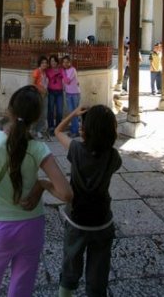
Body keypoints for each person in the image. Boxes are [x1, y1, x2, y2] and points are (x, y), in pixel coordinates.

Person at [0, 85, 73, 297]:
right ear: (36, 118)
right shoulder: (38, 149)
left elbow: (9, 142)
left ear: (10, 110)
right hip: (31, 226)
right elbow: (66, 194)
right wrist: (41, 185)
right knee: (22, 287)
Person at [55, 104, 122, 297]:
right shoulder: (113, 157)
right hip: (102, 221)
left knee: (71, 264)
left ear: (83, 131)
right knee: (99, 271)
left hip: (77, 220)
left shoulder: (75, 150)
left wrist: (74, 114)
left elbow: (59, 131)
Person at [61, 55, 81, 138]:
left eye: (67, 62)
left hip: (75, 94)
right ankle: (74, 130)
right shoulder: (65, 71)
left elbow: (67, 81)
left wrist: (62, 72)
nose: (65, 64)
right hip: (68, 93)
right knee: (71, 113)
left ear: (70, 62)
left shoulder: (72, 70)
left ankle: (75, 131)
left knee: (74, 113)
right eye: (64, 62)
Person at [46, 54, 64, 135]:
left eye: (54, 61)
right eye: (51, 61)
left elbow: (65, 77)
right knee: (51, 110)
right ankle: (51, 127)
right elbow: (49, 76)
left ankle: (58, 128)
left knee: (59, 111)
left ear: (57, 62)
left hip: (60, 92)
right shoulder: (48, 70)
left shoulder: (61, 70)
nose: (52, 62)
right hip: (51, 92)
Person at [32, 55, 48, 138]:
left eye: (45, 63)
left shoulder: (45, 72)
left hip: (45, 95)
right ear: (39, 63)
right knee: (37, 113)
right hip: (38, 95)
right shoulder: (36, 71)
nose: (44, 64)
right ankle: (33, 130)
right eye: (42, 62)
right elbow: (33, 84)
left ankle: (39, 130)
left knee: (43, 114)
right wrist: (40, 89)